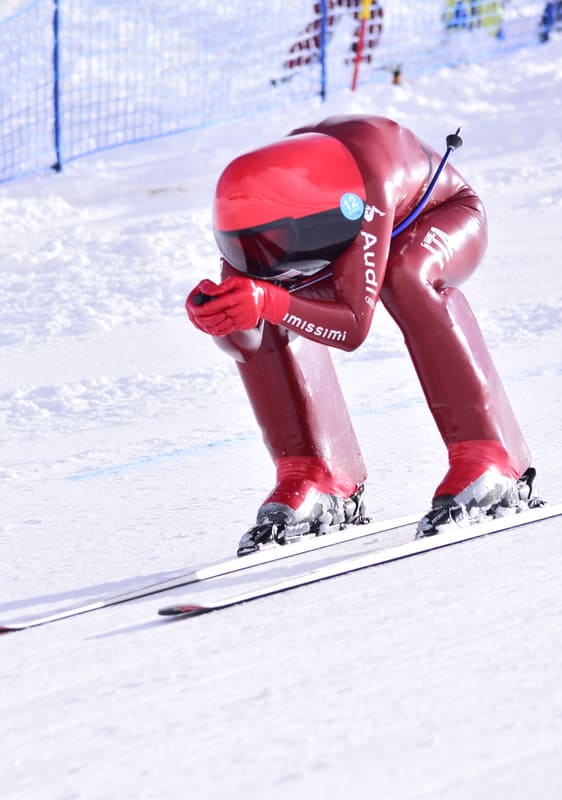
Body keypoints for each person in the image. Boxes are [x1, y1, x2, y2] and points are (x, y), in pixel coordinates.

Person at [186, 114, 537, 557]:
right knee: (264, 292)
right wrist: (221, 318)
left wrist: (268, 301)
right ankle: (314, 470)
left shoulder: (366, 183)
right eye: (244, 247)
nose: (259, 255)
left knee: (405, 273)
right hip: (346, 216)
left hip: (441, 213)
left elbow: (353, 327)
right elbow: (248, 336)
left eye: (272, 244)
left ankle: (489, 454)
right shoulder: (255, 221)